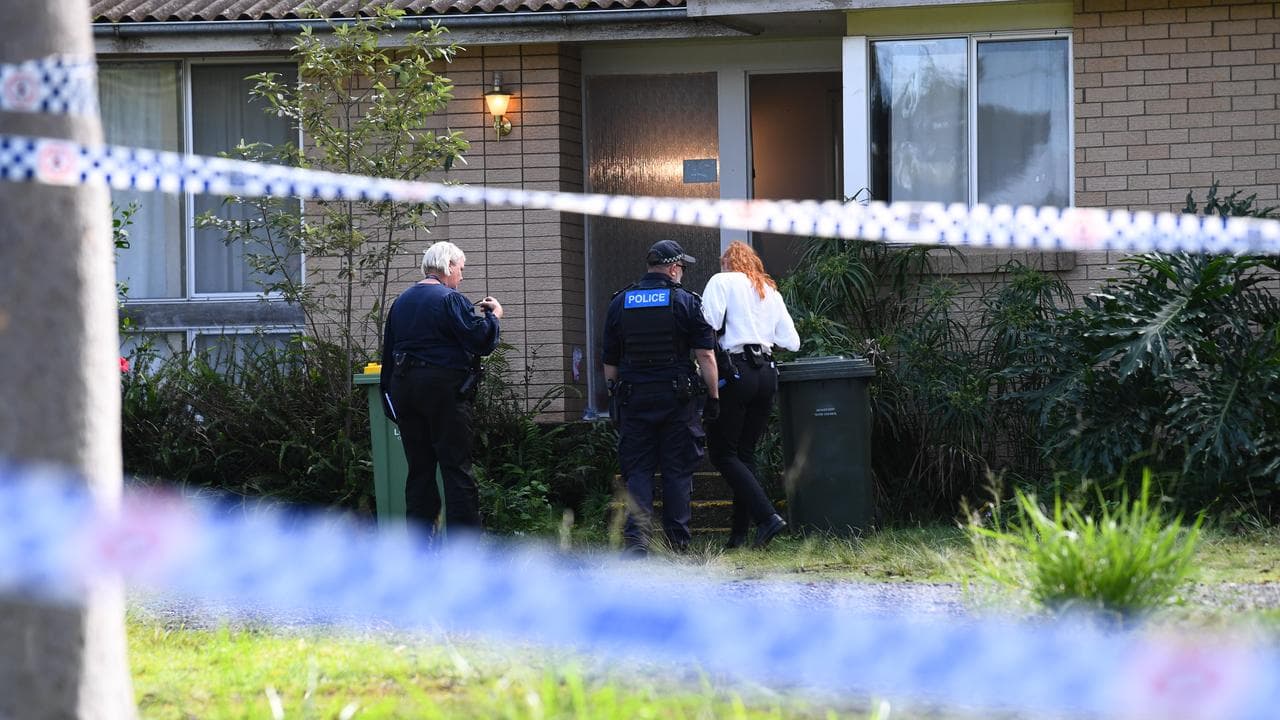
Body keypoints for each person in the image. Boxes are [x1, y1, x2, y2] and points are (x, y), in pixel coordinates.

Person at [602, 239, 719, 557]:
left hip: (634, 399)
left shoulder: (620, 302)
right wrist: (713, 397)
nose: (682, 273)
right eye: (682, 267)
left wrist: (614, 395)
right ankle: (676, 544)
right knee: (676, 471)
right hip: (676, 400)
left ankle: (637, 541)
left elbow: (609, 360)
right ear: (673, 268)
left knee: (638, 471)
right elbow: (706, 355)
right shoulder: (686, 302)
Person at [381, 241, 502, 536]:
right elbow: (480, 341)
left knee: (419, 471)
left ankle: (420, 545)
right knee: (456, 468)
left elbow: (389, 356)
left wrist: (391, 402)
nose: (461, 276)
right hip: (443, 392)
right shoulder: (450, 299)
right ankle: (463, 546)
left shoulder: (401, 302)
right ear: (448, 266)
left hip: (405, 391)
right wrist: (493, 317)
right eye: (460, 268)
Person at [700, 241, 800, 550]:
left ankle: (767, 517)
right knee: (744, 454)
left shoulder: (722, 281)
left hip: (737, 371)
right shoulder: (769, 290)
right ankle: (739, 536)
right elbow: (792, 341)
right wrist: (759, 334)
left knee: (722, 453)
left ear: (727, 263)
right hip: (766, 374)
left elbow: (707, 323)